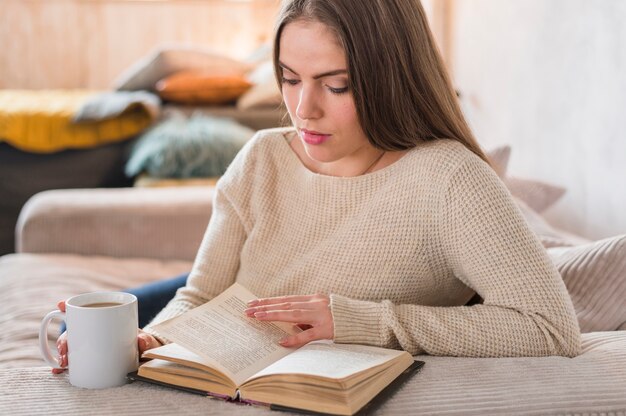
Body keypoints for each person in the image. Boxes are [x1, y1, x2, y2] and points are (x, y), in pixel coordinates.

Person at [53, 0, 581, 373]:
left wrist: (362, 321)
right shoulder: (262, 156)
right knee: (71, 325)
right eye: (288, 78)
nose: (304, 110)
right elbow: (201, 294)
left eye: (336, 85)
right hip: (234, 326)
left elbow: (549, 327)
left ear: (390, 76)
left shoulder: (450, 181)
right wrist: (153, 340)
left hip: (301, 369)